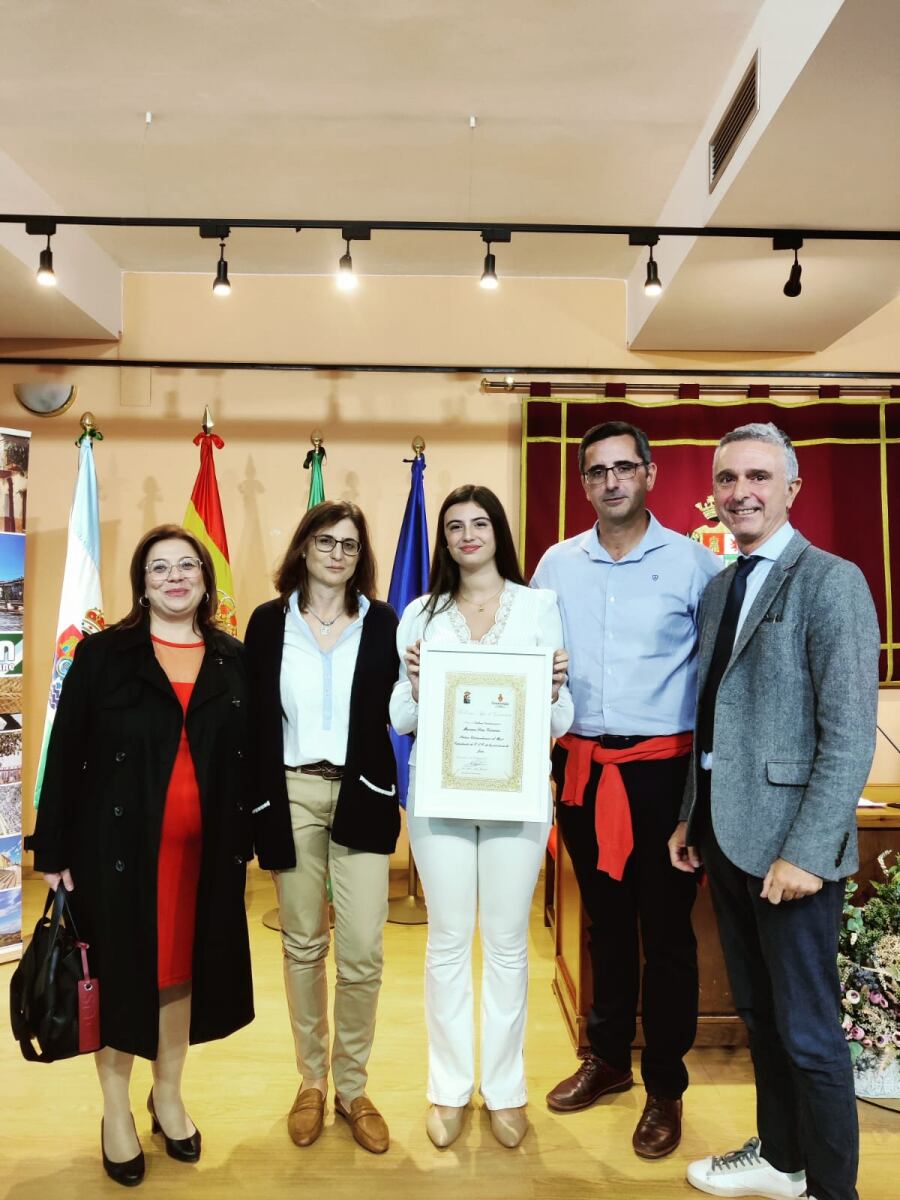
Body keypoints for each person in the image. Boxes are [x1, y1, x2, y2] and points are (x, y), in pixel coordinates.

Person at [669, 423, 880, 1200]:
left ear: (791, 489)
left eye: (759, 476)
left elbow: (851, 735)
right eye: (727, 478)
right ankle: (782, 1159)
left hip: (792, 851)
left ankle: (833, 1190)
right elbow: (714, 713)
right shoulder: (723, 585)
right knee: (760, 1017)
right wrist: (693, 814)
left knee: (811, 1035)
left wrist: (809, 850)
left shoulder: (831, 580)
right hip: (726, 838)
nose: (740, 492)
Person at [27, 524, 253, 1187]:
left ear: (207, 581)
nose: (176, 577)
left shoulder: (232, 658)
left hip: (201, 858)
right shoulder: (103, 654)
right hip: (116, 853)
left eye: (188, 566)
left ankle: (170, 1094)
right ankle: (115, 1109)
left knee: (182, 977)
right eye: (160, 568)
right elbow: (65, 755)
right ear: (142, 583)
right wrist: (54, 846)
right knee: (124, 977)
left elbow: (249, 760)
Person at [532, 421, 721, 1159]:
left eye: (623, 468)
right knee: (602, 923)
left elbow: (715, 683)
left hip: (663, 776)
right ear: (583, 484)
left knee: (666, 938)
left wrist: (699, 800)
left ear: (648, 474)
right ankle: (606, 1058)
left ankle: (665, 1086)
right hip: (581, 771)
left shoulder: (693, 566)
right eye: (596, 472)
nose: (610, 482)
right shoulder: (555, 565)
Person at [390, 484, 573, 1150]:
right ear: (443, 539)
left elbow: (562, 718)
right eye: (454, 526)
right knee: (445, 943)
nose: (468, 534)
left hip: (516, 798)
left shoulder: (538, 607)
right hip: (439, 799)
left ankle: (504, 1090)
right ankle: (446, 1089)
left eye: (479, 523)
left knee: (504, 945)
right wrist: (415, 682)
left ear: (498, 530)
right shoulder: (419, 613)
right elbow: (400, 718)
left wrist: (553, 688)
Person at [244, 500, 399, 1155]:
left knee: (361, 948)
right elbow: (251, 721)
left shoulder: (384, 621)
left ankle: (352, 1087)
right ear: (302, 546)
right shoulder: (268, 622)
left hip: (361, 792)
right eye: (326, 541)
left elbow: (409, 702)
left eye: (350, 545)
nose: (339, 553)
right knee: (304, 945)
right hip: (292, 791)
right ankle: (311, 1081)